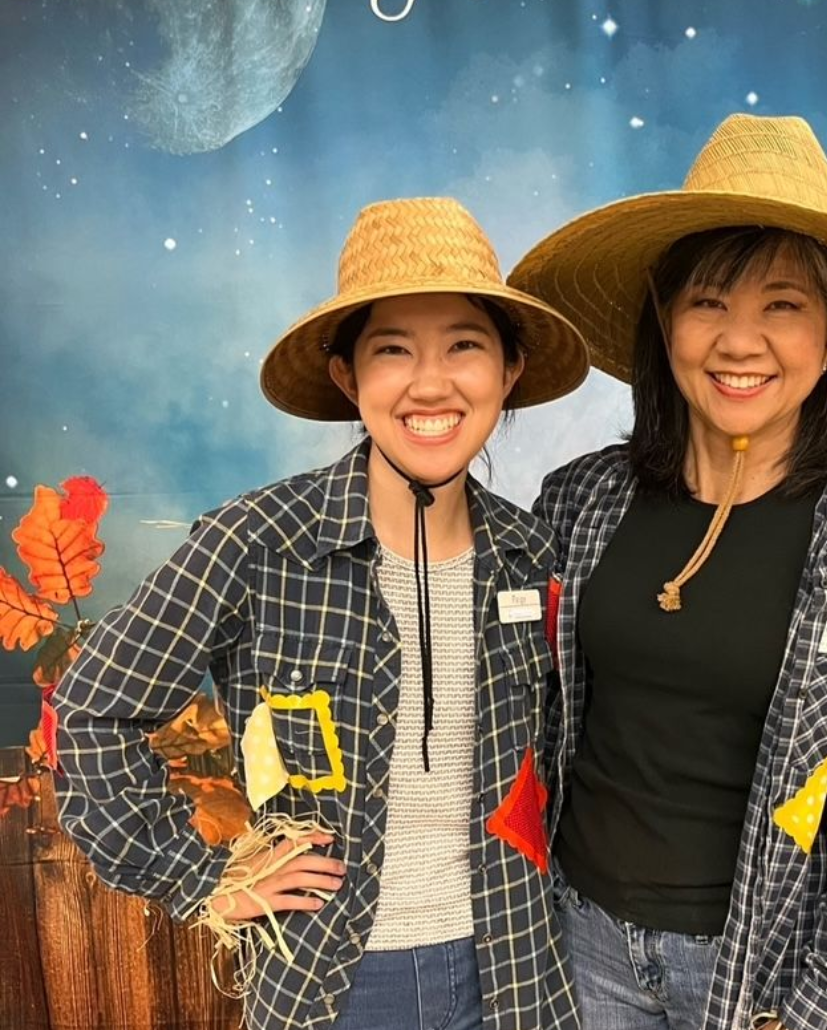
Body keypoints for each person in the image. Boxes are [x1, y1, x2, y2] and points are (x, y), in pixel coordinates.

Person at [53, 197, 590, 1030]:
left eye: (465, 346)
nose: (431, 382)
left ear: (509, 369)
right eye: (392, 350)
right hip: (335, 980)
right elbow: (94, 709)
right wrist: (202, 879)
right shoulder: (259, 540)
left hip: (519, 969)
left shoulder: (531, 552)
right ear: (348, 376)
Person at [508, 114, 827, 1030]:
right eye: (708, 302)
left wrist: (817, 1009)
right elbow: (513, 714)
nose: (740, 342)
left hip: (750, 979)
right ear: (664, 316)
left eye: (782, 304)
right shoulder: (578, 504)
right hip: (574, 945)